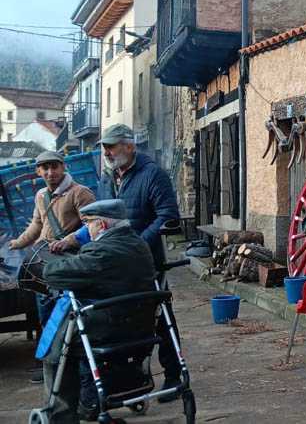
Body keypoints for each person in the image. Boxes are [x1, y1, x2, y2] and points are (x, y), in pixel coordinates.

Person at [52, 123, 183, 402]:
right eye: (104, 147)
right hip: (114, 260)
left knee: (159, 317)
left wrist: (138, 244)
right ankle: (124, 379)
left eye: (111, 147)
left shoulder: (152, 175)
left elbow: (168, 216)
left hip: (145, 260)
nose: (107, 152)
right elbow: (100, 218)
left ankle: (174, 374)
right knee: (119, 318)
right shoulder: (108, 178)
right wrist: (73, 239)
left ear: (130, 146)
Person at [40, 199, 156, 424]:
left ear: (101, 225)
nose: (87, 229)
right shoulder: (139, 244)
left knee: (56, 348)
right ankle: (89, 401)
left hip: (110, 327)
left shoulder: (102, 251)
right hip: (142, 324)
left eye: (88, 224)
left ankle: (61, 415)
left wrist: (50, 265)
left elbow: (55, 274)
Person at [7, 150, 95, 384]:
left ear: (63, 167)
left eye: (54, 167)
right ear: (38, 171)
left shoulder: (80, 193)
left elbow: (94, 225)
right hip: (45, 266)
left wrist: (69, 240)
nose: (50, 172)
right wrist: (18, 243)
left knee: (70, 319)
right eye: (44, 168)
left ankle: (75, 369)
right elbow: (37, 225)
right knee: (47, 319)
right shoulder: (40, 195)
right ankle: (52, 367)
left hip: (69, 264)